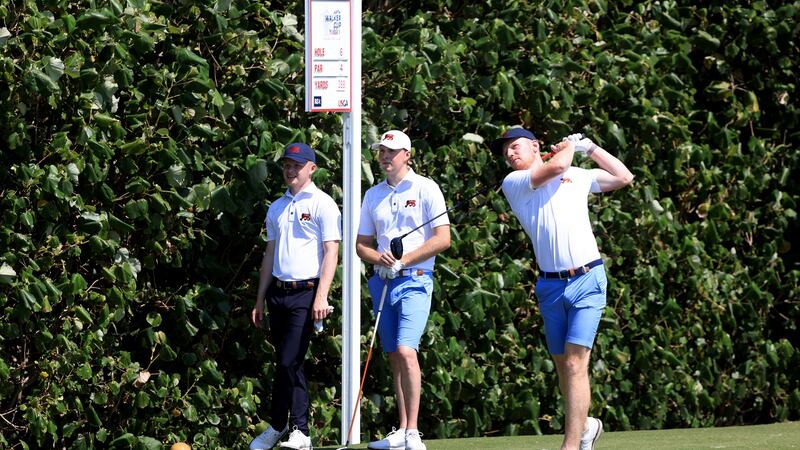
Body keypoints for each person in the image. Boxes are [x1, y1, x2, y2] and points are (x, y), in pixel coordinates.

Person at [490, 127, 633, 450]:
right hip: (550, 286)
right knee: (562, 366)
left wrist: (591, 148)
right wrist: (570, 146)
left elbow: (624, 176)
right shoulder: (514, 182)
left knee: (574, 363)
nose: (510, 154)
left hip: (587, 278)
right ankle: (586, 425)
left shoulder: (577, 175)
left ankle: (571, 445)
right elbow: (554, 167)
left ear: (535, 146)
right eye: (505, 152)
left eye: (515, 147)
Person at [355, 130, 451, 450]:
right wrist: (380, 258)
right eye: (381, 151)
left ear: (407, 155)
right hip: (382, 281)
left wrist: (404, 258)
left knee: (407, 351)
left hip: (416, 278)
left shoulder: (426, 188)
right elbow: (361, 246)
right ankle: (402, 430)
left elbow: (442, 238)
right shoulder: (373, 195)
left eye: (391, 152)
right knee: (395, 355)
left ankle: (413, 432)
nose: (384, 156)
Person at [249, 142, 341, 450]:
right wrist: (260, 298)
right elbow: (269, 254)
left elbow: (331, 252)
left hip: (306, 292)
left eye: (297, 166)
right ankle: (299, 432)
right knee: (291, 362)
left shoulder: (323, 203)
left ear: (311, 169)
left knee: (288, 361)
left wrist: (321, 296)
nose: (290, 170)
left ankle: (279, 425)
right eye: (287, 165)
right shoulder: (276, 207)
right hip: (278, 293)